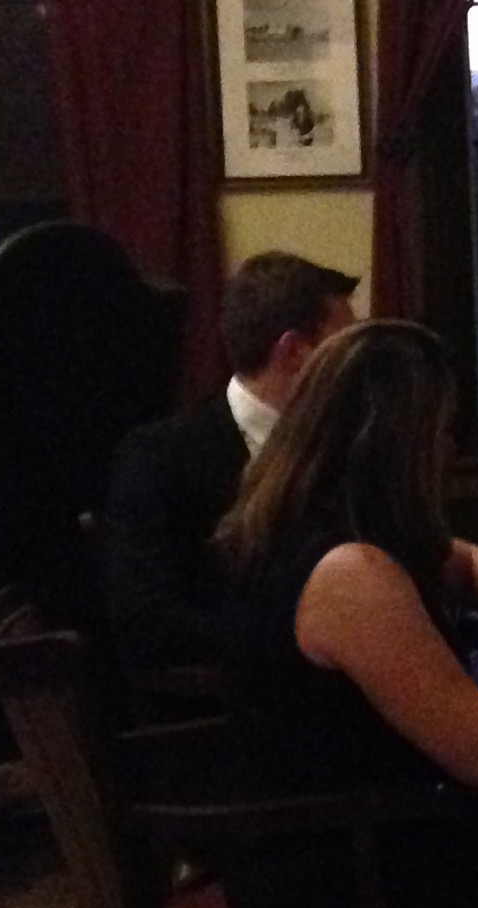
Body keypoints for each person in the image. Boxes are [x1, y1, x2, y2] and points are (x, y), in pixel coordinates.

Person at [213, 317, 478, 908]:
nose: (449, 448)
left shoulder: (301, 524)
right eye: (439, 429)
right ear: (394, 442)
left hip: (326, 835)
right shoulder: (349, 573)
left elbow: (460, 562)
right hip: (344, 871)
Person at [97, 248, 357, 692]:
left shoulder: (345, 444)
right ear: (294, 351)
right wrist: (305, 639)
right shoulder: (160, 457)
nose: (356, 367)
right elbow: (149, 623)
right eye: (343, 349)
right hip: (232, 704)